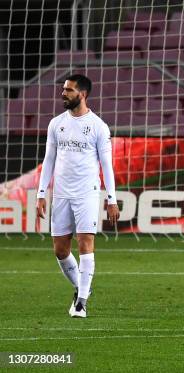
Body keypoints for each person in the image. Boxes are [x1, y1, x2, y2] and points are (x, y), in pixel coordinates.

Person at [36, 74, 119, 318]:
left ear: (82, 94)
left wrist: (111, 199)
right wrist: (42, 193)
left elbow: (107, 165)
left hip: (87, 194)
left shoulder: (98, 127)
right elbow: (49, 160)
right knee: (60, 250)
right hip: (61, 194)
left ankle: (81, 302)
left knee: (85, 243)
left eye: (69, 90)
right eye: (64, 89)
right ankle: (82, 286)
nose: (64, 93)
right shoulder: (56, 124)